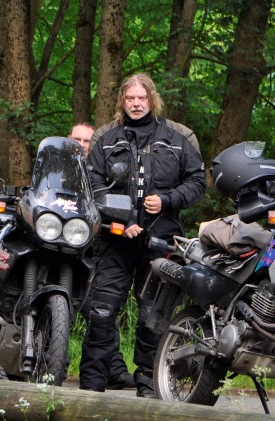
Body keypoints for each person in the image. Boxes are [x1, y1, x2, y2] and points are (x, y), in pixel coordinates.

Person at [79, 73, 207, 398]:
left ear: (152, 99)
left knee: (154, 316)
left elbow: (197, 182)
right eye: (130, 98)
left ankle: (149, 388)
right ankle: (90, 391)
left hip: (161, 241)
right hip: (114, 239)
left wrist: (167, 200)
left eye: (142, 98)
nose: (136, 104)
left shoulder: (180, 137)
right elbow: (91, 184)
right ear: (122, 101)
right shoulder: (105, 137)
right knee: (102, 312)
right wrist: (120, 219)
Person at [69, 122, 136, 390]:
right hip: (59, 247)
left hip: (94, 250)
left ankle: (114, 369)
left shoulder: (102, 172)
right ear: (68, 140)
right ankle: (50, 361)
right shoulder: (57, 172)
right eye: (77, 140)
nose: (82, 146)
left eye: (87, 141)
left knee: (101, 308)